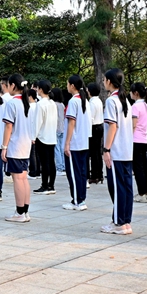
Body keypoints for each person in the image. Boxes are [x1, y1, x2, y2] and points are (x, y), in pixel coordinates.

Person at [101, 68, 134, 235]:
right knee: (126, 187)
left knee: (117, 188)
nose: (103, 82)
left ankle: (119, 222)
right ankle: (125, 221)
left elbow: (112, 126)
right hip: (126, 150)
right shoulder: (125, 101)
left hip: (117, 151)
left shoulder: (111, 101)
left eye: (104, 79)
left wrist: (106, 148)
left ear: (109, 81)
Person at [2, 74, 37, 222]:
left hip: (15, 145)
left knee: (17, 178)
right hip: (26, 144)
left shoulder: (12, 103)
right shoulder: (26, 103)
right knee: (23, 178)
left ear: (13, 86)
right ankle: (25, 211)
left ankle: (19, 212)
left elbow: (9, 126)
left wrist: (4, 146)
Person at [63, 75, 91, 211]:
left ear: (72, 86)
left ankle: (77, 200)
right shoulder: (85, 100)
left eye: (68, 84)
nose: (67, 86)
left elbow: (71, 122)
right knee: (81, 172)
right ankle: (81, 199)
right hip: (83, 141)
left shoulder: (74, 102)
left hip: (74, 142)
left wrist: (67, 143)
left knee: (73, 172)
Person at [34, 80, 58, 195]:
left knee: (44, 162)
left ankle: (44, 185)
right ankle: (51, 185)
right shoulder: (52, 103)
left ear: (41, 90)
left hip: (42, 136)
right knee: (51, 161)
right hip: (51, 135)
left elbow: (38, 122)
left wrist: (33, 136)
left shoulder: (40, 104)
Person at [130, 83, 147, 203]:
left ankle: (141, 193)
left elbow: (134, 125)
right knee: (144, 166)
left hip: (136, 139)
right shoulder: (146, 105)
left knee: (138, 168)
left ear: (136, 93)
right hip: (144, 139)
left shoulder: (135, 107)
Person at [87, 82, 105, 185]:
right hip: (99, 126)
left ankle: (95, 175)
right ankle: (99, 174)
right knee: (97, 152)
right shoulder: (98, 101)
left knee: (94, 153)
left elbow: (90, 118)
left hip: (94, 127)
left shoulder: (92, 102)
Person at [51, 88, 66, 177]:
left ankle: (59, 167)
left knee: (56, 149)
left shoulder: (54, 105)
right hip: (62, 128)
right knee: (61, 148)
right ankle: (63, 165)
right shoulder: (62, 105)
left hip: (56, 128)